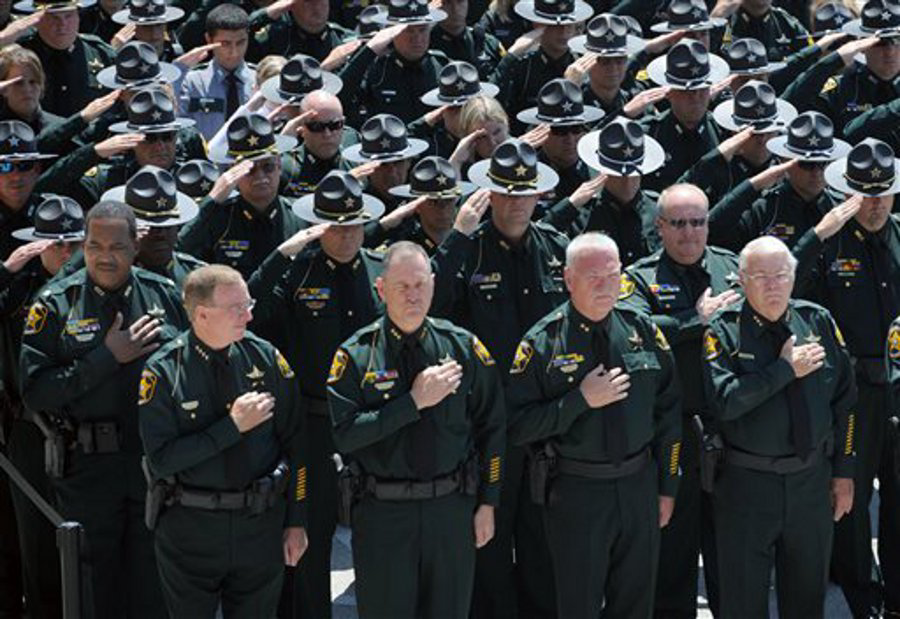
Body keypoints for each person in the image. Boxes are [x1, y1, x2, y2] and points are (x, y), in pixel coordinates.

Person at [19, 200, 188, 618]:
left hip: (153, 465)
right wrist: (108, 356)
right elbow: (36, 392)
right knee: (96, 586)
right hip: (89, 470)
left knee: (153, 583)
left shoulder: (164, 295)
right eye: (94, 245)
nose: (104, 256)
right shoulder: (56, 303)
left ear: (135, 245)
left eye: (116, 245)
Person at [327, 240, 506, 619]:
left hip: (450, 509)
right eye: (402, 287)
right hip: (383, 514)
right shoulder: (356, 355)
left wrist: (488, 501)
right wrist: (412, 403)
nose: (413, 295)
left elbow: (493, 426)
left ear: (434, 284)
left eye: (420, 284)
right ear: (381, 289)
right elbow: (344, 434)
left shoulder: (462, 347)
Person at [506, 232, 681, 619]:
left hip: (638, 485)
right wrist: (580, 401)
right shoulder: (543, 342)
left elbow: (669, 413)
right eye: (593, 277)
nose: (606, 285)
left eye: (613, 274)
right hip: (577, 492)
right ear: (568, 279)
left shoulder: (643, 330)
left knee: (636, 601)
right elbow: (518, 426)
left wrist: (668, 486)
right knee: (579, 602)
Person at [432, 138, 566, 618]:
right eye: (504, 193)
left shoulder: (556, 249)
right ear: (489, 194)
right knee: (487, 548)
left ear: (537, 195)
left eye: (523, 193)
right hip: (485, 427)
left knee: (543, 549)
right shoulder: (468, 248)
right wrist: (458, 237)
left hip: (546, 425)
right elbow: (428, 307)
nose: (514, 204)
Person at [247, 169, 386, 619]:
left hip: (375, 424)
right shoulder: (297, 273)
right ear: (318, 225)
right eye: (335, 225)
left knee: (381, 535)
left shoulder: (381, 271)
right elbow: (250, 310)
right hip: (313, 425)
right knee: (309, 536)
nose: (346, 234)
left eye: (354, 224)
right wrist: (281, 255)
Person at [139, 264, 308, 617]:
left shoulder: (266, 358)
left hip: (258, 526)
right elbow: (161, 460)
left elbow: (297, 445)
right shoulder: (165, 370)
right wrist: (231, 427)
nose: (248, 316)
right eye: (237, 308)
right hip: (191, 529)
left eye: (249, 304)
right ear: (201, 314)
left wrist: (297, 520)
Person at [702, 235, 856, 617]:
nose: (773, 285)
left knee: (806, 599)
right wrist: (784, 371)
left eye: (781, 275)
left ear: (794, 276)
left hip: (810, 483)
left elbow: (846, 402)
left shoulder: (816, 320)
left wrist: (845, 473)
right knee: (743, 600)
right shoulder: (723, 331)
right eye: (761, 276)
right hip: (746, 486)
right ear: (741, 280)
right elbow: (725, 402)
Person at [620, 183, 741, 617]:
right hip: (671, 430)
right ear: (660, 227)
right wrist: (696, 319)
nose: (690, 233)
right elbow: (633, 335)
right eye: (679, 224)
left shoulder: (734, 268)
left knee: (733, 550)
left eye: (698, 222)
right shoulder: (639, 277)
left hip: (731, 425)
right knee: (672, 550)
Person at [791, 137, 900, 617]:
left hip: (897, 390)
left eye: (883, 193)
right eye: (864, 194)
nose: (874, 204)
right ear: (847, 192)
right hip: (852, 397)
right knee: (850, 504)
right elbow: (784, 290)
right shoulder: (827, 242)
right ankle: (862, 598)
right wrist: (814, 237)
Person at [1, 195, 83, 619]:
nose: (67, 253)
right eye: (57, 245)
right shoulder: (17, 292)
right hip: (32, 434)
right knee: (38, 547)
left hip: (91, 433)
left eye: (75, 244)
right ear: (38, 246)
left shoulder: (101, 286)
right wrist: (5, 271)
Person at [178, 113, 305, 279]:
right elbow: (180, 250)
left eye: (268, 166)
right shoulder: (218, 219)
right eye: (249, 169)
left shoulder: (298, 218)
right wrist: (212, 199)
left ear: (279, 166)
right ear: (234, 170)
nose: (260, 176)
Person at [709, 111, 852, 252]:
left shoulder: (842, 209)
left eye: (823, 163)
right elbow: (712, 233)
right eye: (807, 164)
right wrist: (753, 186)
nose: (817, 172)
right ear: (785, 161)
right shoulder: (764, 210)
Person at [544, 117, 664, 263]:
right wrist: (569, 205)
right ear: (603, 170)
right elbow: (541, 239)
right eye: (618, 173)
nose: (626, 180)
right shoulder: (582, 215)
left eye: (633, 173)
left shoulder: (660, 210)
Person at [336, 0, 449, 125]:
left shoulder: (442, 67)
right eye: (409, 30)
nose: (417, 38)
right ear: (392, 32)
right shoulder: (376, 70)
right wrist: (369, 51)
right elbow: (339, 99)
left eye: (422, 30)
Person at [642, 39, 729, 193]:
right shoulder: (649, 135)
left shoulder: (724, 133)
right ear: (669, 92)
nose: (695, 97)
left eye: (702, 89)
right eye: (686, 91)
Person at [15, 0, 115, 118]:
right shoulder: (19, 58)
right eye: (53, 17)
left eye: (68, 16)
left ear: (78, 17)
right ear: (36, 21)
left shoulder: (100, 53)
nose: (62, 24)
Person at [179, 3, 256, 141]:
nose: (234, 52)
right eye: (225, 44)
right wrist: (178, 69)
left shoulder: (260, 80)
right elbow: (177, 124)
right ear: (209, 40)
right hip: (206, 160)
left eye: (241, 42)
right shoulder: (191, 82)